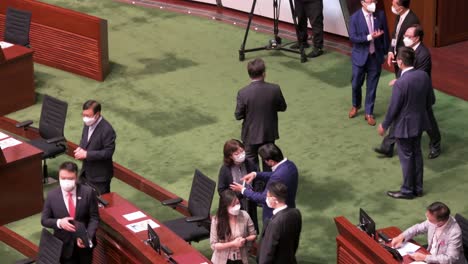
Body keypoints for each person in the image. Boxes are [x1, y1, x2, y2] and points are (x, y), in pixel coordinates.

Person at [375, 24, 442, 159]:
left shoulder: (423, 54)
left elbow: (419, 76)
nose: (405, 38)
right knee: (399, 116)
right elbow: (404, 68)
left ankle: (435, 144)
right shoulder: (406, 49)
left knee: (428, 121)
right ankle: (387, 146)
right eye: (405, 35)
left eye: (408, 36)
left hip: (420, 93)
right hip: (407, 90)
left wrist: (400, 81)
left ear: (417, 38)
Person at [378, 47, 433, 199]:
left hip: (404, 127)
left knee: (407, 157)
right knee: (417, 154)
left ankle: (408, 190)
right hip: (420, 122)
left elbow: (393, 108)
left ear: (400, 62)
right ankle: (418, 188)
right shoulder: (424, 76)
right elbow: (431, 100)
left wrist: (384, 125)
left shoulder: (400, 83)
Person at [41, 161, 99, 264]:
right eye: (63, 178)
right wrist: (59, 223)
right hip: (64, 247)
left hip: (84, 247)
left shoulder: (88, 192)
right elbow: (44, 220)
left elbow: (94, 218)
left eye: (70, 178)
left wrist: (87, 237)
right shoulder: (51, 196)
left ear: (76, 178)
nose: (66, 181)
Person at [235, 58, 287, 171]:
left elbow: (238, 115)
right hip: (268, 134)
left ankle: (255, 187)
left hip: (250, 135)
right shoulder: (275, 89)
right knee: (269, 164)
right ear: (264, 73)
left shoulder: (243, 93)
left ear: (250, 75)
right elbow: (283, 107)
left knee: (252, 166)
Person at [230, 143, 298, 221]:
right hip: (289, 209)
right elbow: (275, 174)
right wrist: (256, 174)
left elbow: (263, 198)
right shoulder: (290, 165)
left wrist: (243, 190)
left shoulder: (277, 177)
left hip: (274, 217)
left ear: (271, 161)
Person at [348, 0, 389, 126]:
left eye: (374, 0)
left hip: (375, 57)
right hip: (360, 57)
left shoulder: (380, 15)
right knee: (356, 84)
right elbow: (353, 37)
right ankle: (356, 105)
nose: (373, 3)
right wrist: (369, 37)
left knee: (372, 87)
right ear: (362, 3)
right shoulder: (354, 18)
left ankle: (369, 112)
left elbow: (385, 34)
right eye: (369, 1)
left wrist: (386, 52)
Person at [390, 202, 466, 264]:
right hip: (429, 255)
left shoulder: (454, 232)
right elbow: (417, 228)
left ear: (440, 222)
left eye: (430, 219)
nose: (427, 220)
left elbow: (450, 258)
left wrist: (425, 257)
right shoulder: (433, 220)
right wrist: (402, 236)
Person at [74, 100, 116, 194]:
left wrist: (87, 154)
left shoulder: (107, 130)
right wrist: (81, 147)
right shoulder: (87, 123)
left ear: (97, 114)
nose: (85, 118)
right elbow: (85, 138)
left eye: (88, 115)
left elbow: (108, 152)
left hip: (100, 177)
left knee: (100, 205)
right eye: (83, 115)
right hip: (86, 172)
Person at [218, 139, 260, 232]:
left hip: (250, 202)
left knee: (251, 228)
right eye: (236, 154)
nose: (241, 155)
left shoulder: (250, 163)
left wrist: (253, 191)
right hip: (234, 205)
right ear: (230, 156)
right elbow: (221, 190)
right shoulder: (225, 169)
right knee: (237, 231)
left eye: (242, 151)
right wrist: (236, 195)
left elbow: (257, 179)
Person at [258, 182, 302, 264]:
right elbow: (295, 241)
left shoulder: (274, 223)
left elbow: (267, 253)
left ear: (274, 199)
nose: (266, 198)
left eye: (268, 196)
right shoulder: (296, 213)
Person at [210, 190, 257, 264]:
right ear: (225, 207)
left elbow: (253, 234)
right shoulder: (216, 220)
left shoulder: (245, 215)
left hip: (241, 258)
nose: (237, 207)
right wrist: (233, 244)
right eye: (233, 205)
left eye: (237, 203)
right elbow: (214, 245)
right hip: (222, 260)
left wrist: (245, 240)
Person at [387, 0, 419, 75]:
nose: (392, 7)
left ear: (401, 8)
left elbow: (411, 43)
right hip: (397, 57)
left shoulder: (412, 20)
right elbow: (395, 34)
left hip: (405, 60)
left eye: (394, 6)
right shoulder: (399, 15)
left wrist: (401, 57)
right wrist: (391, 50)